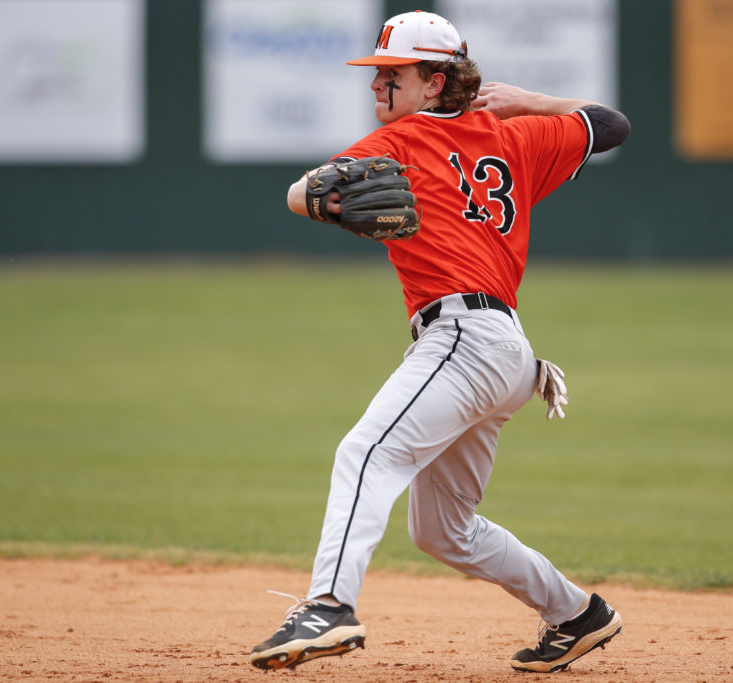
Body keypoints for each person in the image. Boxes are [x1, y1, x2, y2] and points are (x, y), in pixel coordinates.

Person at [250, 9, 631, 674]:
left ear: (434, 81)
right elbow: (612, 125)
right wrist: (533, 102)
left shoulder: (396, 143)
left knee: (365, 450)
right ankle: (578, 613)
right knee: (442, 529)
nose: (376, 88)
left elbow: (297, 193)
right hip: (510, 352)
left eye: (389, 75)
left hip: (463, 340)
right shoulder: (518, 138)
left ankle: (329, 605)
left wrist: (325, 202)